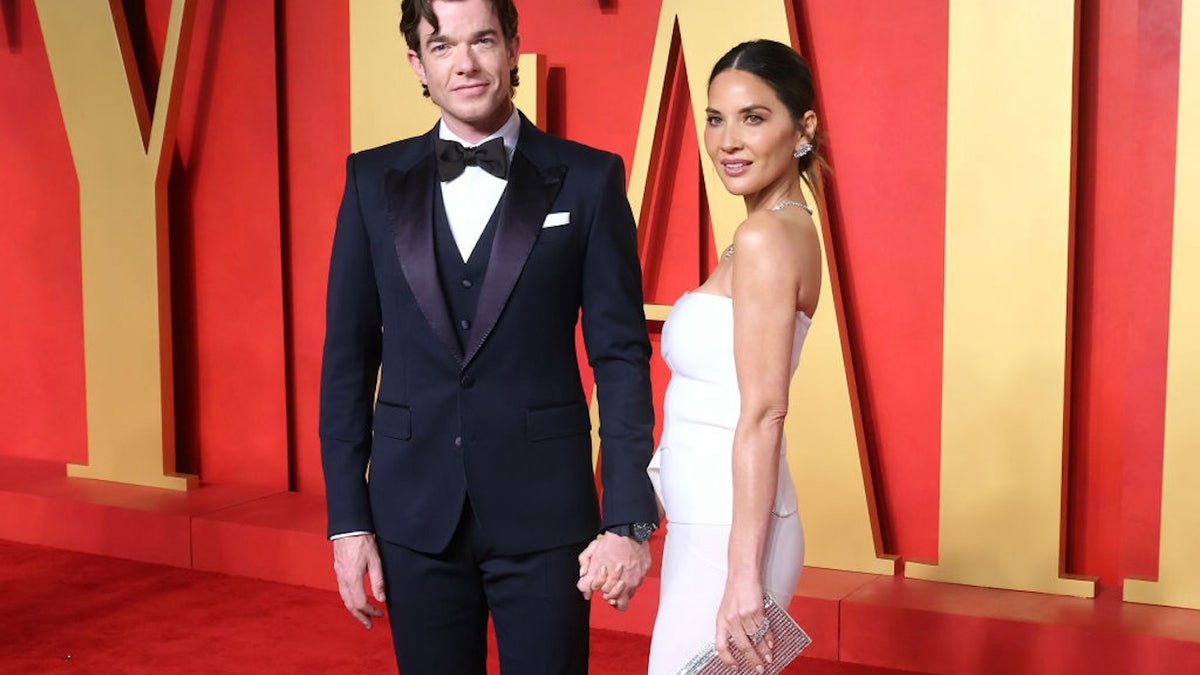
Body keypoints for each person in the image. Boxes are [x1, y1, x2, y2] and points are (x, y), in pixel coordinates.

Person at [318, 0, 659, 672]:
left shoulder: (589, 180)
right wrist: (348, 519)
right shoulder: (370, 182)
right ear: (417, 62)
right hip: (413, 513)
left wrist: (625, 519)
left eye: (482, 41)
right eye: (442, 46)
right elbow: (348, 361)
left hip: (547, 515)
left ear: (512, 48)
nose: (465, 63)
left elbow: (620, 357)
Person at [582, 39, 822, 673]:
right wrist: (637, 523)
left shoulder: (767, 235)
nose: (728, 141)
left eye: (754, 117)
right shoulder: (765, 230)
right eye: (716, 118)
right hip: (710, 523)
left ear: (803, 128)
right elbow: (703, 407)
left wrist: (743, 577)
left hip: (731, 534)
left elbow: (763, 413)